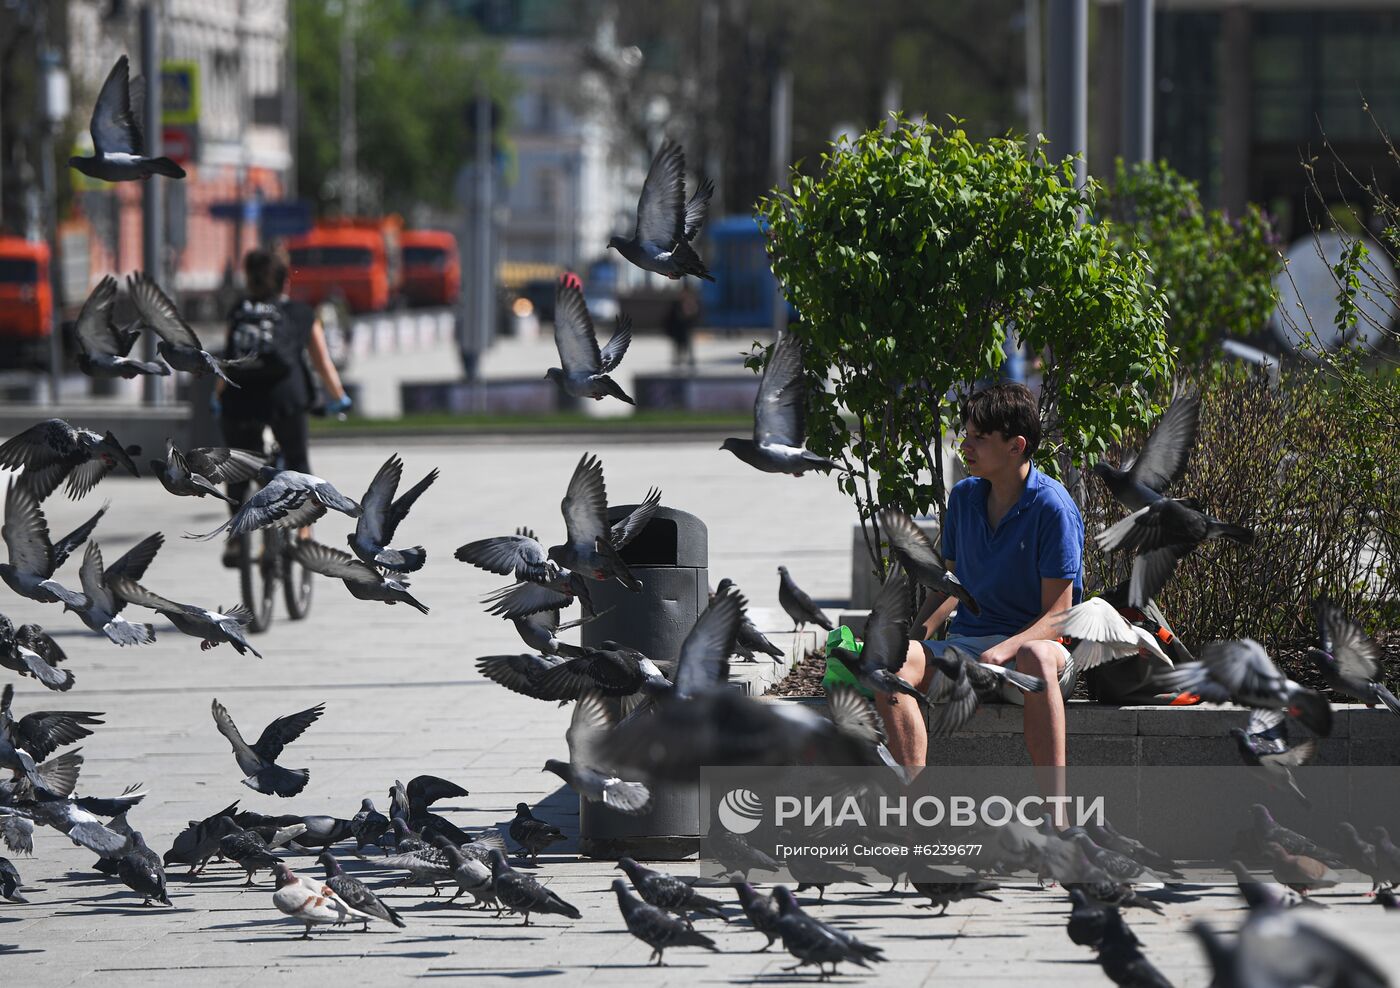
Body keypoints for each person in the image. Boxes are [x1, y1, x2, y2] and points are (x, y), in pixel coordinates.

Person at [877, 382, 1083, 770]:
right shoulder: (964, 498)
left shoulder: (1053, 508)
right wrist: (912, 642)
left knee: (1034, 655)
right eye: (966, 435)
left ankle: (1058, 819)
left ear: (1016, 445)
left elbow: (1059, 615)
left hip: (1035, 660)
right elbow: (951, 587)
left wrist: (1006, 649)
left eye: (979, 438)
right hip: (970, 654)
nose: (965, 446)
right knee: (894, 665)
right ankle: (912, 809)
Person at [213, 247, 352, 565]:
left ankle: (236, 539)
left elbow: (227, 362)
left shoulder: (238, 311)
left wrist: (217, 398)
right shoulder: (301, 313)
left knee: (239, 467)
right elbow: (323, 365)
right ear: (285, 281)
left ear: (249, 280)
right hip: (285, 399)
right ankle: (304, 534)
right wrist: (340, 397)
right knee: (297, 459)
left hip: (239, 399)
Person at [665, 282, 700, 370]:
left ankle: (690, 360)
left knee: (688, 344)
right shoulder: (676, 303)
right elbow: (671, 316)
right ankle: (678, 360)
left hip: (687, 328)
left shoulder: (691, 302)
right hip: (678, 329)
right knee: (678, 346)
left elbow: (695, 315)